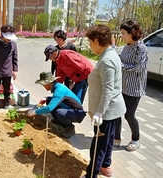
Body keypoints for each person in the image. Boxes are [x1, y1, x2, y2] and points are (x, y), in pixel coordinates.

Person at [81, 24, 126, 178]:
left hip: (106, 112)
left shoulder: (107, 60)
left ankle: (91, 174)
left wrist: (99, 112)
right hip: (111, 110)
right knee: (107, 141)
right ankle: (106, 166)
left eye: (90, 42)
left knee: (98, 145)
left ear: (96, 41)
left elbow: (108, 89)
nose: (90, 46)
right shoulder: (109, 55)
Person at [114, 20, 148, 151]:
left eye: (123, 33)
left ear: (132, 33)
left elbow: (139, 67)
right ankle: (116, 138)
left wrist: (120, 65)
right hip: (123, 85)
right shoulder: (127, 45)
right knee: (117, 112)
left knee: (129, 115)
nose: (122, 35)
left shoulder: (141, 48)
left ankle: (135, 139)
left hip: (134, 88)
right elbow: (122, 60)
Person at [27, 71, 86, 138]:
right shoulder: (58, 86)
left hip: (78, 113)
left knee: (59, 112)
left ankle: (70, 128)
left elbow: (49, 108)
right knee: (49, 100)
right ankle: (59, 120)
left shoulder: (59, 90)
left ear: (48, 83)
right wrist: (45, 99)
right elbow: (56, 100)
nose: (43, 86)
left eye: (43, 84)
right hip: (71, 110)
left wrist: (35, 112)